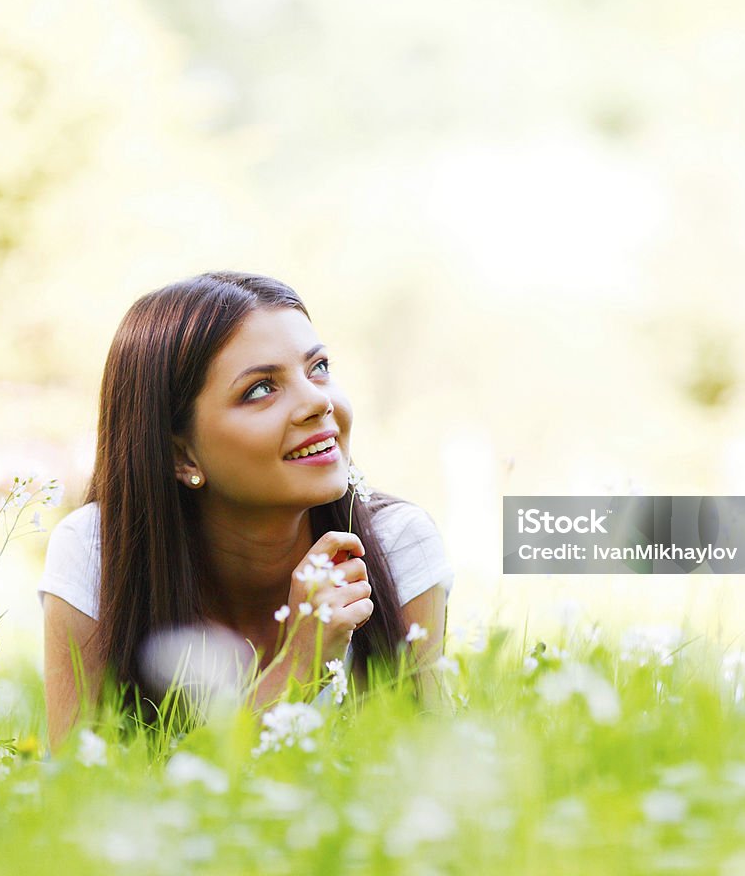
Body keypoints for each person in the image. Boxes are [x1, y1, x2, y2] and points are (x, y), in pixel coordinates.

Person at [38, 271, 454, 753]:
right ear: (181, 456)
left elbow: (432, 775)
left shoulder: (395, 543)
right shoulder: (97, 553)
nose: (317, 401)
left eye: (317, 367)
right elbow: (78, 796)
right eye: (260, 389)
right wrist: (301, 663)